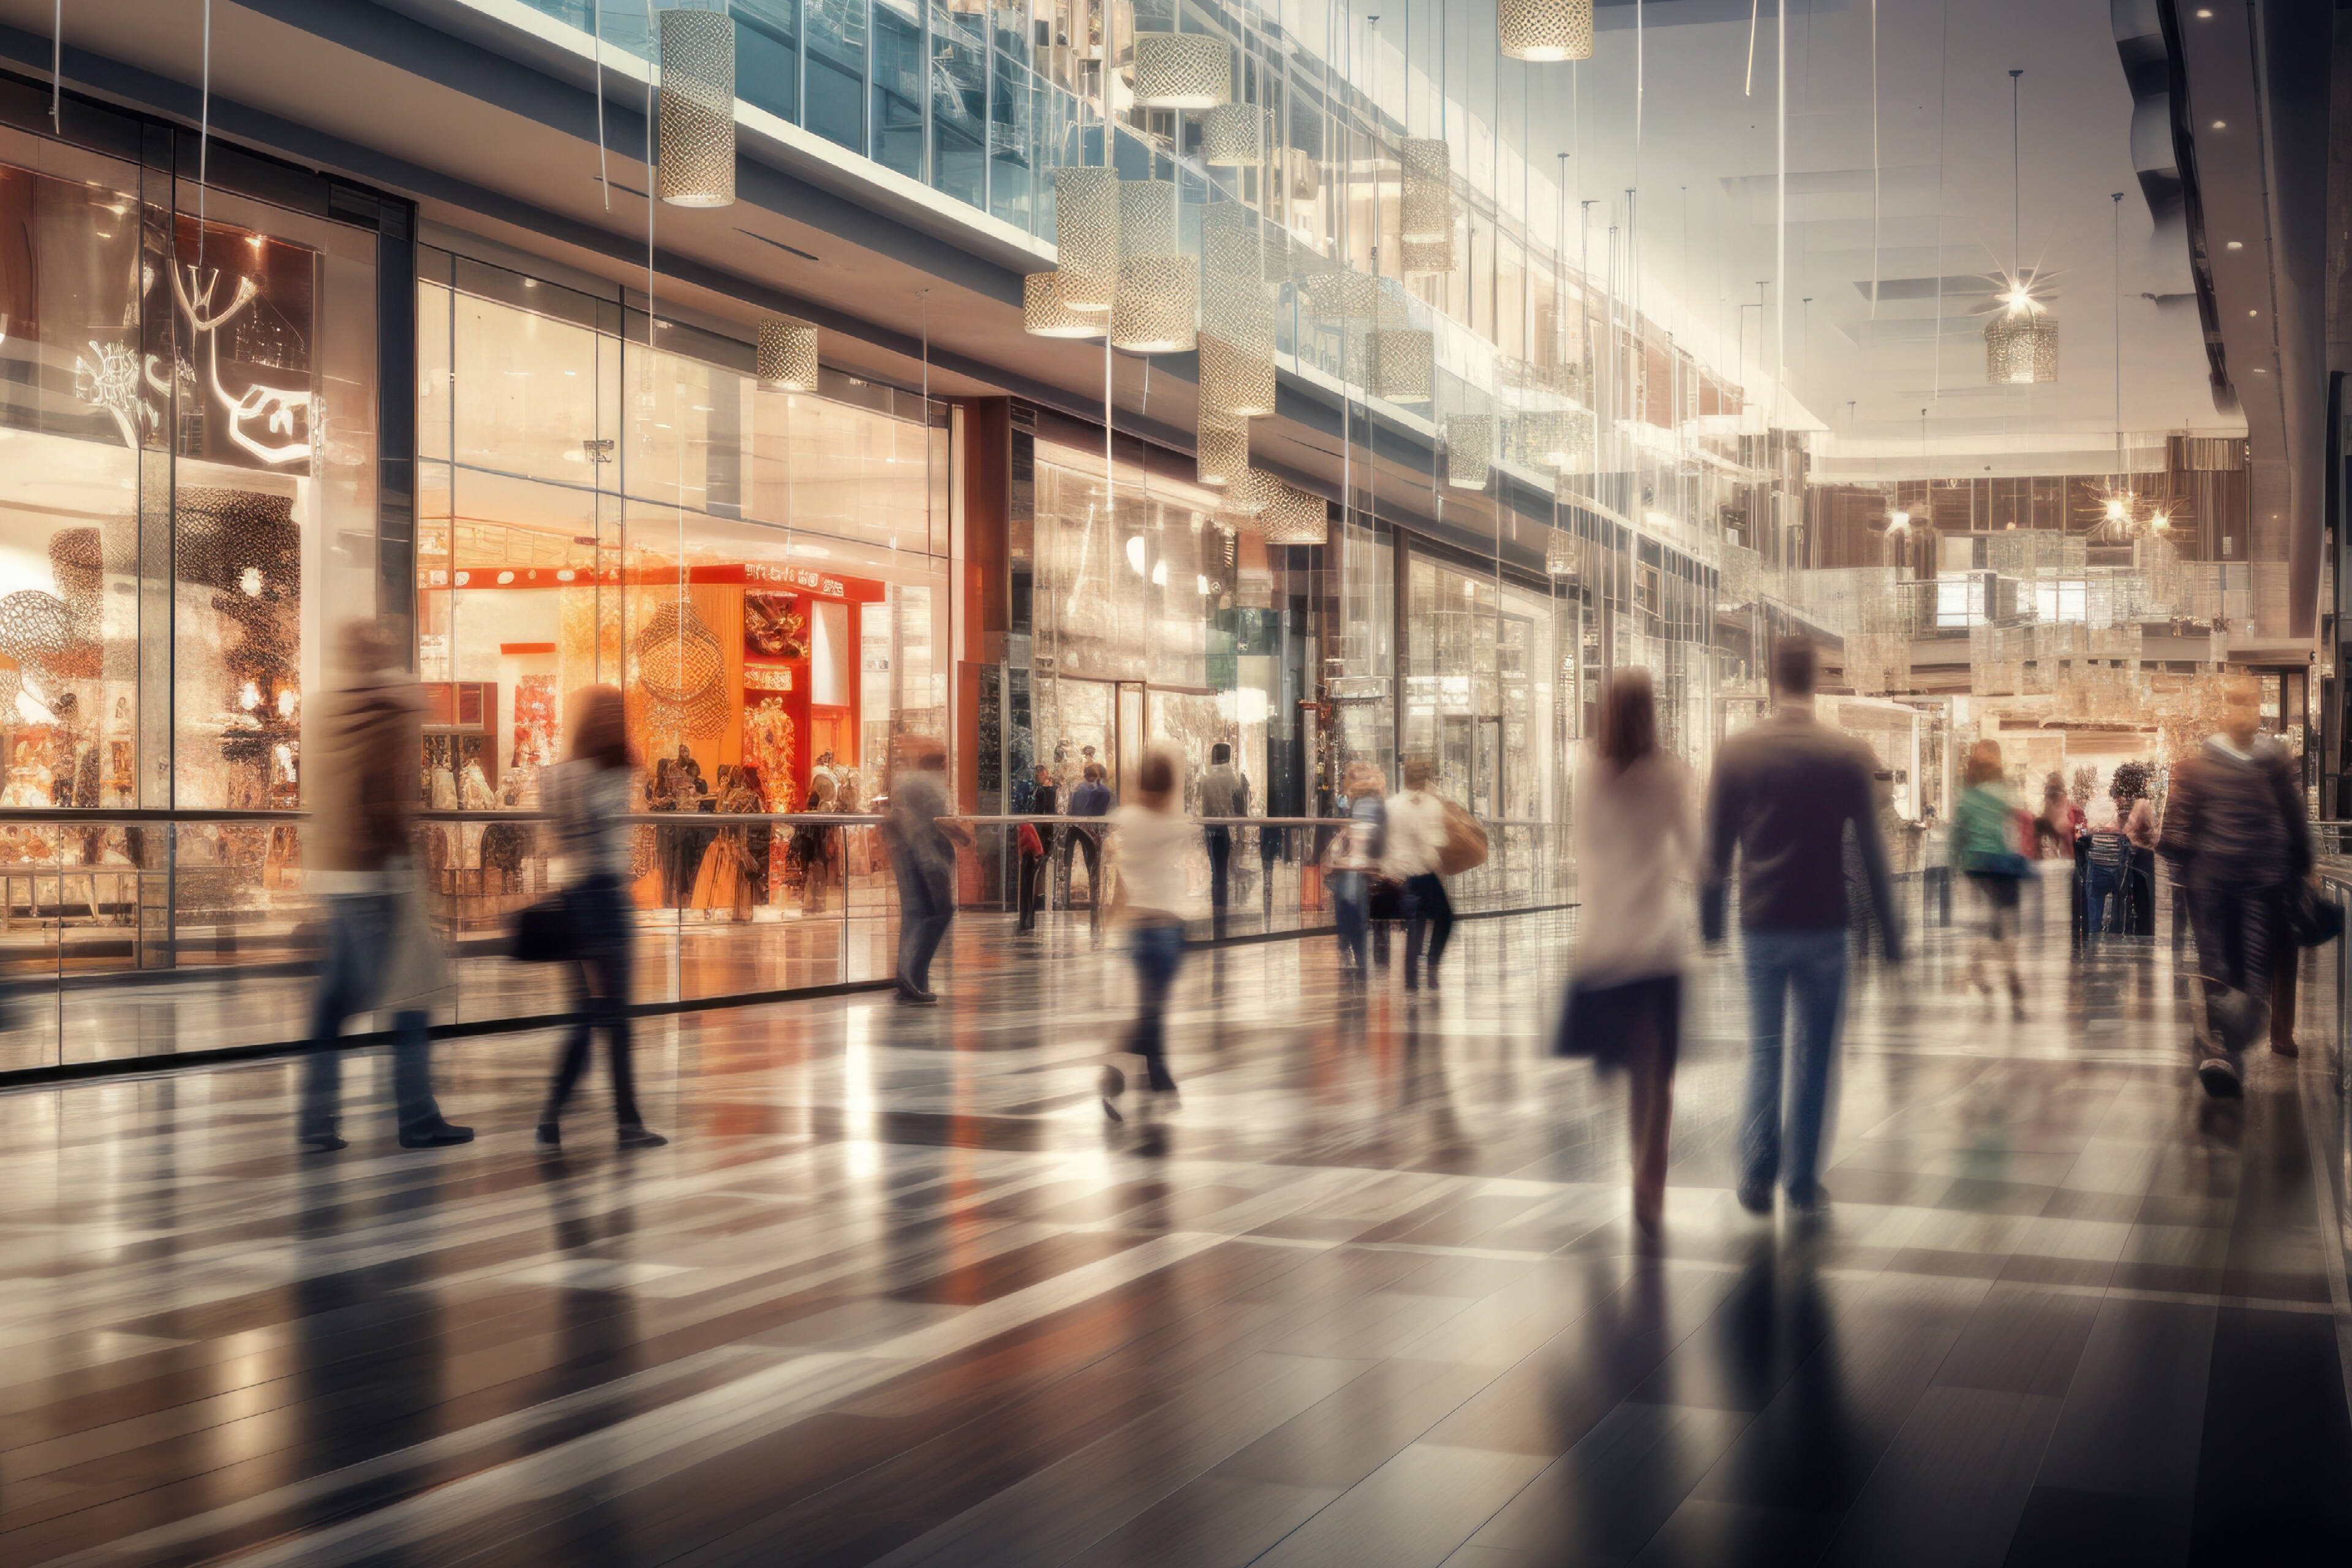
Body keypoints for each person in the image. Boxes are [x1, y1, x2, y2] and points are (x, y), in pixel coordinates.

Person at [1702, 638, 1901, 1217]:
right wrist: (1889, 934)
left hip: (1761, 920)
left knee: (1765, 1050)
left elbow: (1715, 845)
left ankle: (1757, 1175)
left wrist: (1711, 925)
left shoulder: (1737, 751)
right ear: (1816, 682)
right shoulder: (1843, 754)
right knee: (1816, 1055)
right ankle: (1802, 1180)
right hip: (1824, 922)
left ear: (1771, 679)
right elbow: (1870, 848)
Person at [296, 620, 472, 1152]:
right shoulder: (386, 712)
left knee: (336, 1003)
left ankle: (315, 1120)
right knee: (409, 997)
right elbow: (386, 801)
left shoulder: (325, 710)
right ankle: (418, 1117)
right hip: (375, 875)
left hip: (331, 872)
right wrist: (408, 871)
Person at [1566, 671, 1695, 1235]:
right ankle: (1650, 1185)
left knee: (1626, 1074)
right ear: (1653, 713)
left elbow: (1582, 850)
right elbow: (1697, 856)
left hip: (1601, 946)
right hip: (1656, 945)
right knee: (1656, 1076)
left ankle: (1634, 1172)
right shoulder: (1668, 776)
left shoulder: (1585, 775)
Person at [2160, 676, 2312, 1095]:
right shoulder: (2203, 764)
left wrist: (2301, 867)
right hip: (2215, 889)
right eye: (2235, 703)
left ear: (2257, 710)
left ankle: (2224, 1050)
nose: (2242, 711)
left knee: (2253, 976)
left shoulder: (2274, 761)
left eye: (2248, 703)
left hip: (2260, 885)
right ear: (2225, 710)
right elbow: (2178, 833)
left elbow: (2294, 820)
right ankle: (2221, 1052)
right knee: (2220, 969)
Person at [539, 686, 666, 1148]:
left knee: (596, 1016)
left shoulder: (565, 775)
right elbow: (590, 846)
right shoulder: (604, 774)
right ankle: (618, 1122)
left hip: (584, 898)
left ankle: (557, 1115)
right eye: (614, 714)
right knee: (608, 1017)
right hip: (599, 901)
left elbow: (562, 840)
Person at [1099, 741, 1191, 1120]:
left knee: (1151, 1007)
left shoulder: (1127, 818)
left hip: (1136, 924)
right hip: (1168, 925)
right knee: (1154, 1011)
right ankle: (1120, 1069)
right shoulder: (1176, 825)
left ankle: (1158, 1078)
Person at [884, 738, 968, 1001]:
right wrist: (963, 836)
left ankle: (911, 977)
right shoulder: (930, 786)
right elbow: (938, 820)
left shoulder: (908, 783)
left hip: (909, 855)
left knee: (916, 915)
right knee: (939, 913)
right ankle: (913, 974)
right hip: (926, 857)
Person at [1951, 739, 2027, 1010]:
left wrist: (1956, 862)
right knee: (2004, 919)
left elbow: (1958, 832)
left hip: (1976, 864)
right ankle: (2009, 974)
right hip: (2002, 863)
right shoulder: (2005, 791)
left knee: (1991, 920)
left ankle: (1977, 970)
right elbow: (2012, 830)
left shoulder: (1968, 795)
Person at [1382, 756, 1455, 990]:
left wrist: (1388, 867)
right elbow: (1435, 840)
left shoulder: (1392, 804)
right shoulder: (1428, 804)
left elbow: (1386, 839)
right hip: (1421, 870)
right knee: (1444, 916)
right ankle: (1432, 962)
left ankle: (1411, 971)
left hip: (1400, 871)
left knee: (1418, 919)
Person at [1327, 761, 1386, 981]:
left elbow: (1365, 833)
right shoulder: (1362, 802)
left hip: (1357, 864)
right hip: (1354, 864)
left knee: (1351, 906)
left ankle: (1355, 954)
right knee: (1351, 906)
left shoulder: (1367, 803)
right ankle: (1355, 954)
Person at [1197, 742, 1249, 937]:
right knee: (1221, 870)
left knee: (1215, 870)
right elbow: (1238, 807)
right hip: (1223, 828)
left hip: (1210, 826)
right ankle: (1221, 907)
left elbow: (1203, 804)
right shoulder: (1232, 777)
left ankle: (1217, 907)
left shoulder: (1208, 777)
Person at [1065, 760, 1114, 940]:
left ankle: (1094, 900)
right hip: (1083, 829)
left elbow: (1100, 809)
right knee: (1088, 863)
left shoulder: (1098, 791)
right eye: (1089, 776)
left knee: (1092, 864)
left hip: (1089, 830)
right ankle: (1089, 899)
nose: (1090, 779)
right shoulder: (1086, 790)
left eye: (1092, 776)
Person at [2081, 797, 2129, 944]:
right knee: (2118, 904)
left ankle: (2094, 935)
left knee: (2095, 903)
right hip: (2115, 872)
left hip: (2097, 872)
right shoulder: (2118, 832)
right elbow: (2125, 851)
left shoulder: (2093, 831)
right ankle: (2116, 933)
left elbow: (2085, 847)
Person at [1018, 763, 1057, 932]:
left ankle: (1034, 905)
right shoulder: (1035, 790)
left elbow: (1050, 810)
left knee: (1037, 869)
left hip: (1042, 830)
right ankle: (1030, 909)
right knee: (1032, 870)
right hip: (1036, 830)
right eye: (1039, 773)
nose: (1041, 776)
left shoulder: (1047, 790)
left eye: (1043, 773)